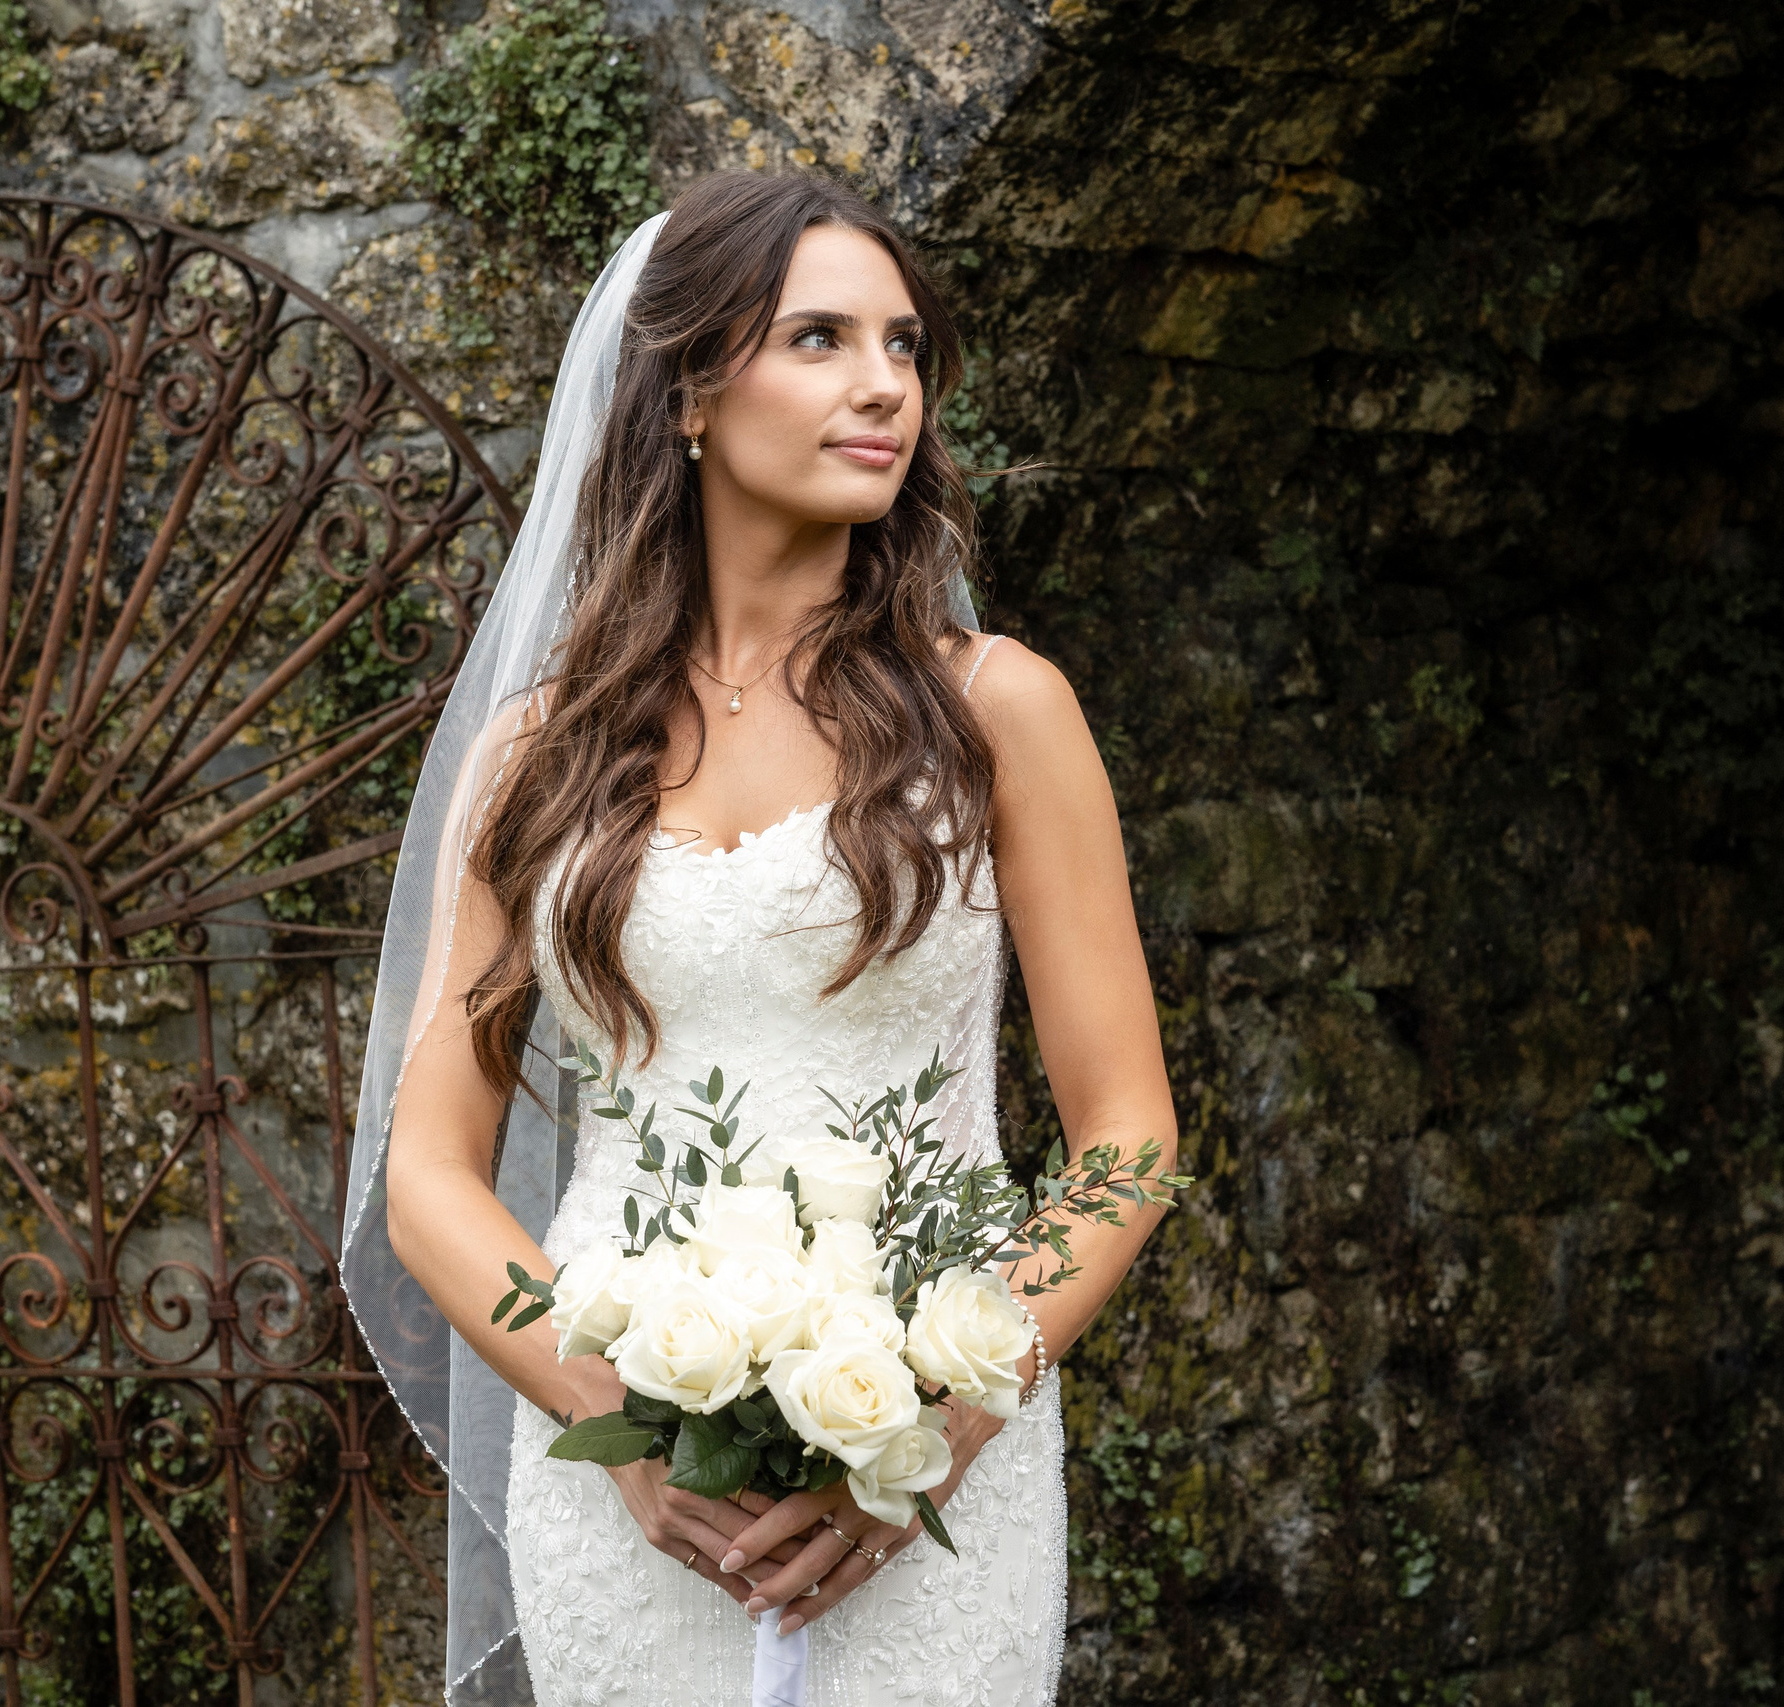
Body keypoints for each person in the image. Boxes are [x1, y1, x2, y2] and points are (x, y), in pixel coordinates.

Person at [353, 169, 1179, 1705]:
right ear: (687, 394)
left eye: (907, 347)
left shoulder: (999, 712)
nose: (886, 387)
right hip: (626, 1484)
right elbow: (426, 1173)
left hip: (939, 1467)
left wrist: (943, 1416)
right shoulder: (543, 751)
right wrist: (609, 1427)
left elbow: (1126, 1132)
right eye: (821, 339)